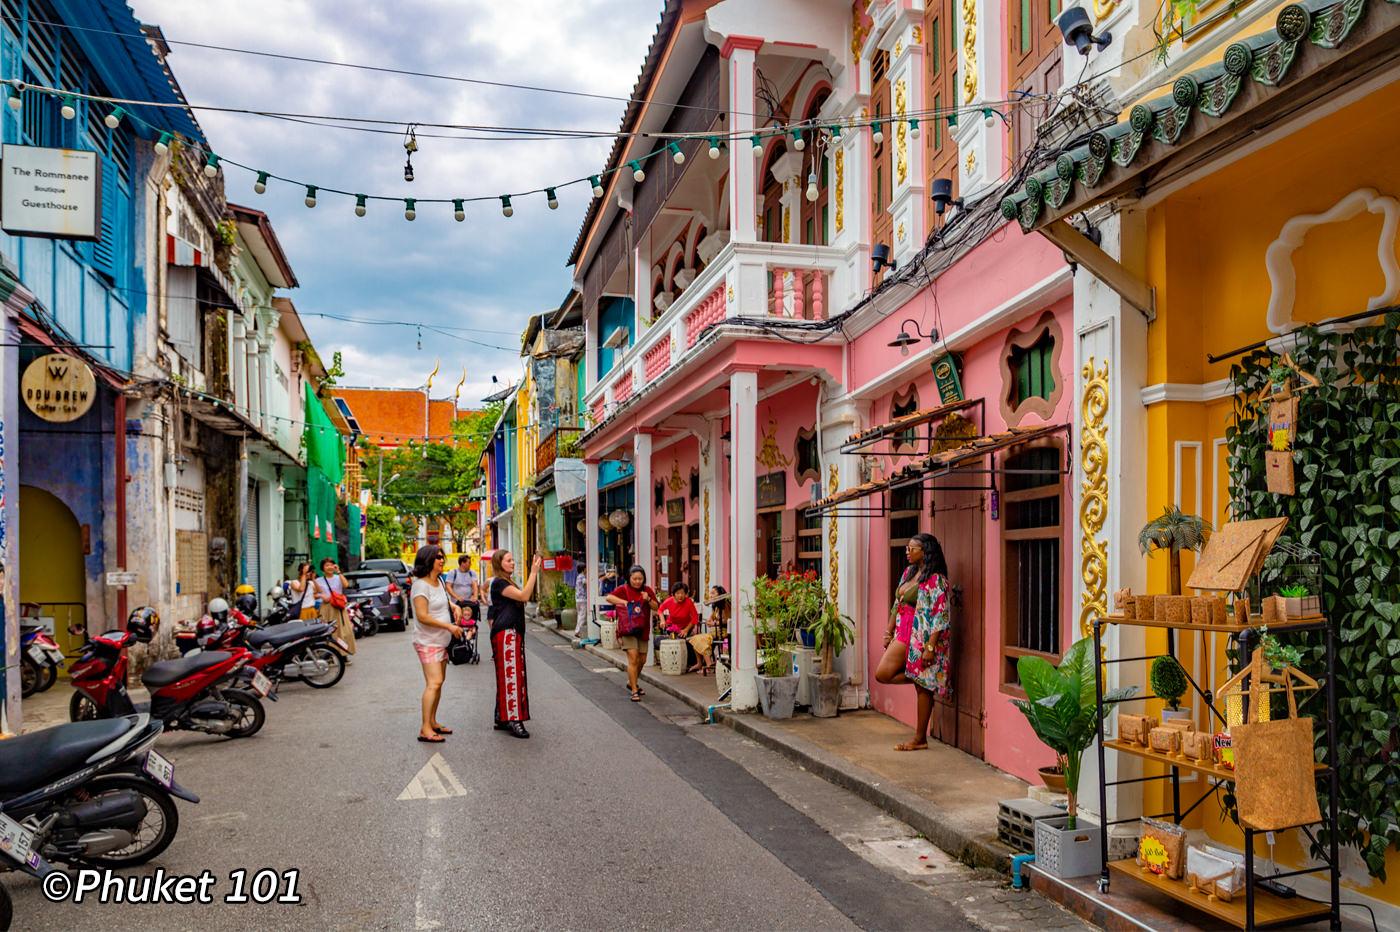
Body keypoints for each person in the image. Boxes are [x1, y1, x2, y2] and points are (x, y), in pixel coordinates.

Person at [874, 532, 953, 751]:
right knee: (883, 674)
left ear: (925, 552)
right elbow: (897, 603)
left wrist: (930, 648)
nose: (907, 552)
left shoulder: (937, 580)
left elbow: (941, 616)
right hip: (903, 631)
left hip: (922, 637)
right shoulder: (909, 572)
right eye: (907, 548)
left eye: (912, 549)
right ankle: (923, 679)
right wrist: (888, 631)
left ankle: (920, 739)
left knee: (922, 689)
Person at [410, 545, 464, 743]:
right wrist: (449, 627)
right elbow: (423, 616)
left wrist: (454, 606)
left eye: (443, 557)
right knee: (434, 683)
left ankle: (432, 721)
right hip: (427, 641)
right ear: (428, 560)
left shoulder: (439, 581)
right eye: (438, 557)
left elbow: (442, 602)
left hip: (442, 642)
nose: (442, 560)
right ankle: (425, 728)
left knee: (439, 683)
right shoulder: (420, 586)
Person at [488, 549, 542, 739]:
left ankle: (501, 716)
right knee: (512, 676)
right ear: (499, 563)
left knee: (510, 673)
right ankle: (513, 718)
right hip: (506, 633)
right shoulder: (500, 583)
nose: (513, 563)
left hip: (511, 632)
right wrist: (534, 571)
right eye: (509, 560)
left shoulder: (506, 582)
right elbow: (524, 596)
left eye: (513, 559)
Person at [606, 565, 658, 702]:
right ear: (629, 578)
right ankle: (634, 689)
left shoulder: (647, 591)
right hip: (628, 629)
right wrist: (624, 602)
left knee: (642, 660)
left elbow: (656, 607)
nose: (637, 581)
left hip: (643, 629)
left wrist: (648, 599)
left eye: (640, 579)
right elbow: (609, 598)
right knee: (633, 658)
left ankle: (631, 682)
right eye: (634, 578)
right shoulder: (623, 589)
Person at [660, 583, 710, 675]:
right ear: (673, 594)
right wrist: (662, 620)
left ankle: (684, 663)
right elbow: (660, 610)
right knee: (672, 642)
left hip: (686, 627)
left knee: (683, 640)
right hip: (672, 626)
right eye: (678, 593)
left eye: (683, 593)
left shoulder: (688, 602)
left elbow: (695, 618)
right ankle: (671, 663)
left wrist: (686, 630)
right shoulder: (669, 601)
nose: (680, 595)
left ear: (686, 594)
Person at [315, 558, 356, 659]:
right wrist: (321, 596)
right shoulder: (318, 580)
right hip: (326, 608)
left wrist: (339, 572)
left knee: (344, 632)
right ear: (322, 568)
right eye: (326, 565)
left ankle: (343, 655)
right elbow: (314, 594)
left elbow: (346, 585)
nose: (329, 567)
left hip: (339, 608)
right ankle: (329, 655)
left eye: (331, 565)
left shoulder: (338, 577)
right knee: (329, 632)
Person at [445, 555, 480, 624]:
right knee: (457, 621)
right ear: (462, 563)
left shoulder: (472, 573)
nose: (470, 564)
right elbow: (448, 586)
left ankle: (471, 633)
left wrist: (475, 596)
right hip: (457, 603)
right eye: (468, 562)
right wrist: (457, 597)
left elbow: (475, 585)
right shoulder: (453, 573)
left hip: (469, 602)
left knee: (471, 622)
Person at [571, 562, 589, 638]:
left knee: (580, 615)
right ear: (583, 569)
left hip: (578, 599)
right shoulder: (582, 577)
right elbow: (587, 583)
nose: (587, 570)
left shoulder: (578, 576)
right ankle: (578, 631)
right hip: (583, 599)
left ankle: (577, 630)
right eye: (586, 568)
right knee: (582, 616)